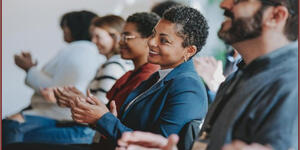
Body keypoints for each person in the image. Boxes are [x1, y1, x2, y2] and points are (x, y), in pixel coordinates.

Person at [6, 7, 210, 150]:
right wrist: (96, 112)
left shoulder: (187, 86)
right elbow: (122, 123)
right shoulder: (159, 76)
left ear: (189, 51)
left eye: (163, 40)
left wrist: (104, 119)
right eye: (154, 34)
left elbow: (158, 145)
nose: (151, 42)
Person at [115, 0, 299, 149]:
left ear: (276, 16)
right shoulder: (240, 75)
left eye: (238, 0)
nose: (224, 4)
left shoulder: (291, 83)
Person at [3, 10, 105, 146]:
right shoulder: (84, 51)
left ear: (75, 28)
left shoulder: (81, 50)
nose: (63, 30)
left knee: (11, 126)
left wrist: (29, 69)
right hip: (57, 112)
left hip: (58, 113)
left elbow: (58, 89)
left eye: (66, 26)